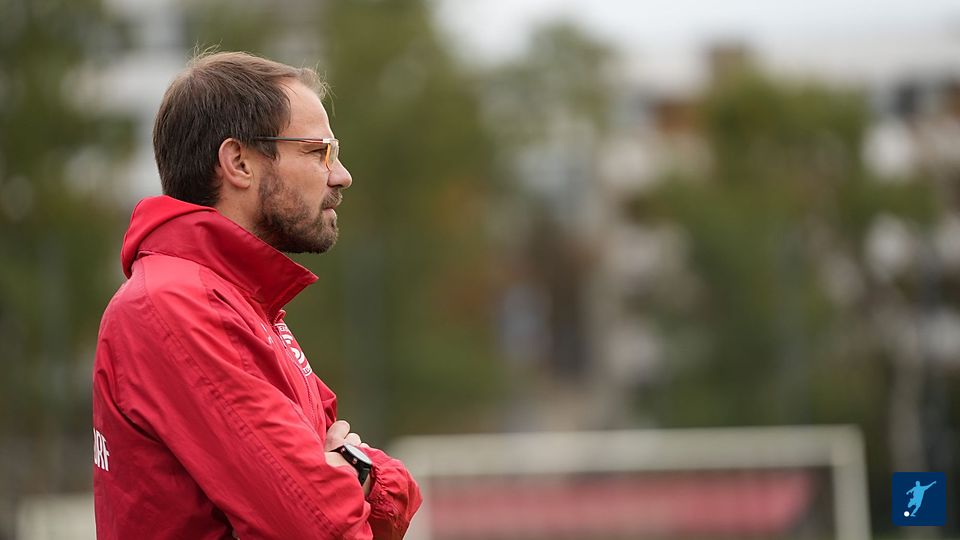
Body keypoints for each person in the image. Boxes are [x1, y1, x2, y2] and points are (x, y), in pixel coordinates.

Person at [92, 51, 422, 539]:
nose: (341, 175)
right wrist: (350, 474)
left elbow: (379, 501)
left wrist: (354, 472)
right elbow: (319, 526)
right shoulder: (174, 307)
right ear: (239, 162)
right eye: (318, 152)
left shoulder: (240, 302)